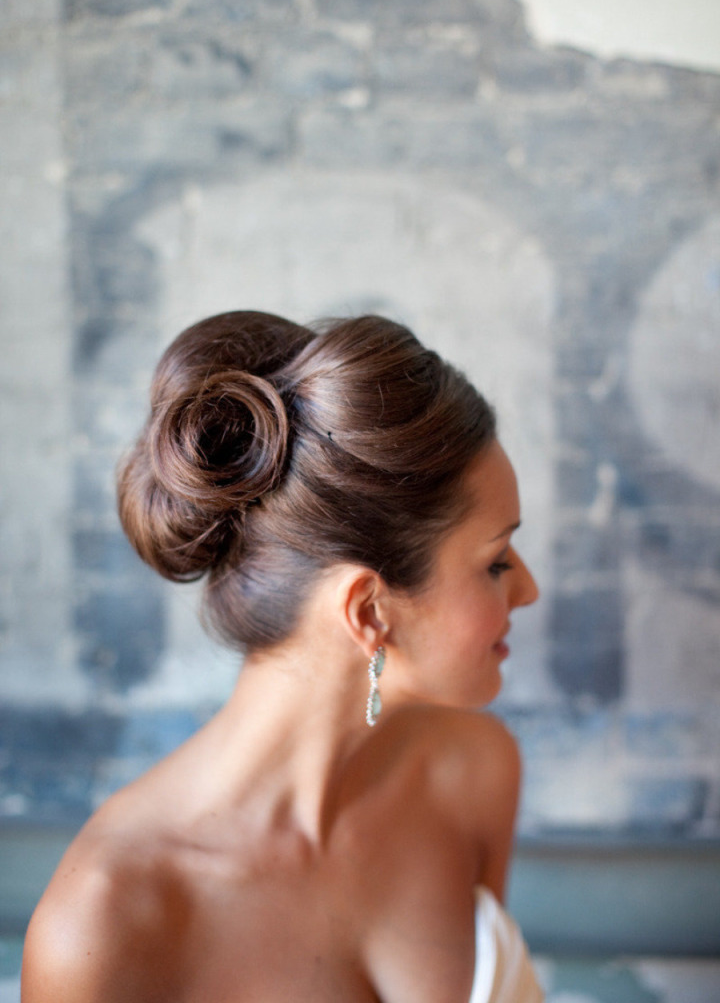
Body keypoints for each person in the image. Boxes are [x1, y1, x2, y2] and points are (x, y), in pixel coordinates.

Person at [22, 311, 543, 1002]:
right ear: (367, 612)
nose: (529, 588)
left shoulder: (472, 772)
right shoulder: (104, 922)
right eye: (496, 561)